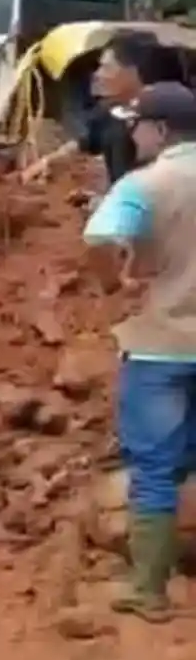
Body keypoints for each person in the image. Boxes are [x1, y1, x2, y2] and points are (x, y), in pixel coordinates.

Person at [83, 82, 196, 623]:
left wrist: (114, 285)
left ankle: (148, 590)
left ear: (161, 130)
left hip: (162, 348)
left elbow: (99, 238)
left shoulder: (145, 185)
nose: (131, 132)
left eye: (138, 124)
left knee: (154, 466)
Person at [82, 32, 162, 186]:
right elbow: (86, 142)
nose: (98, 75)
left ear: (133, 71)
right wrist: (46, 162)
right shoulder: (109, 111)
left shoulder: (164, 115)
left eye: (106, 68)